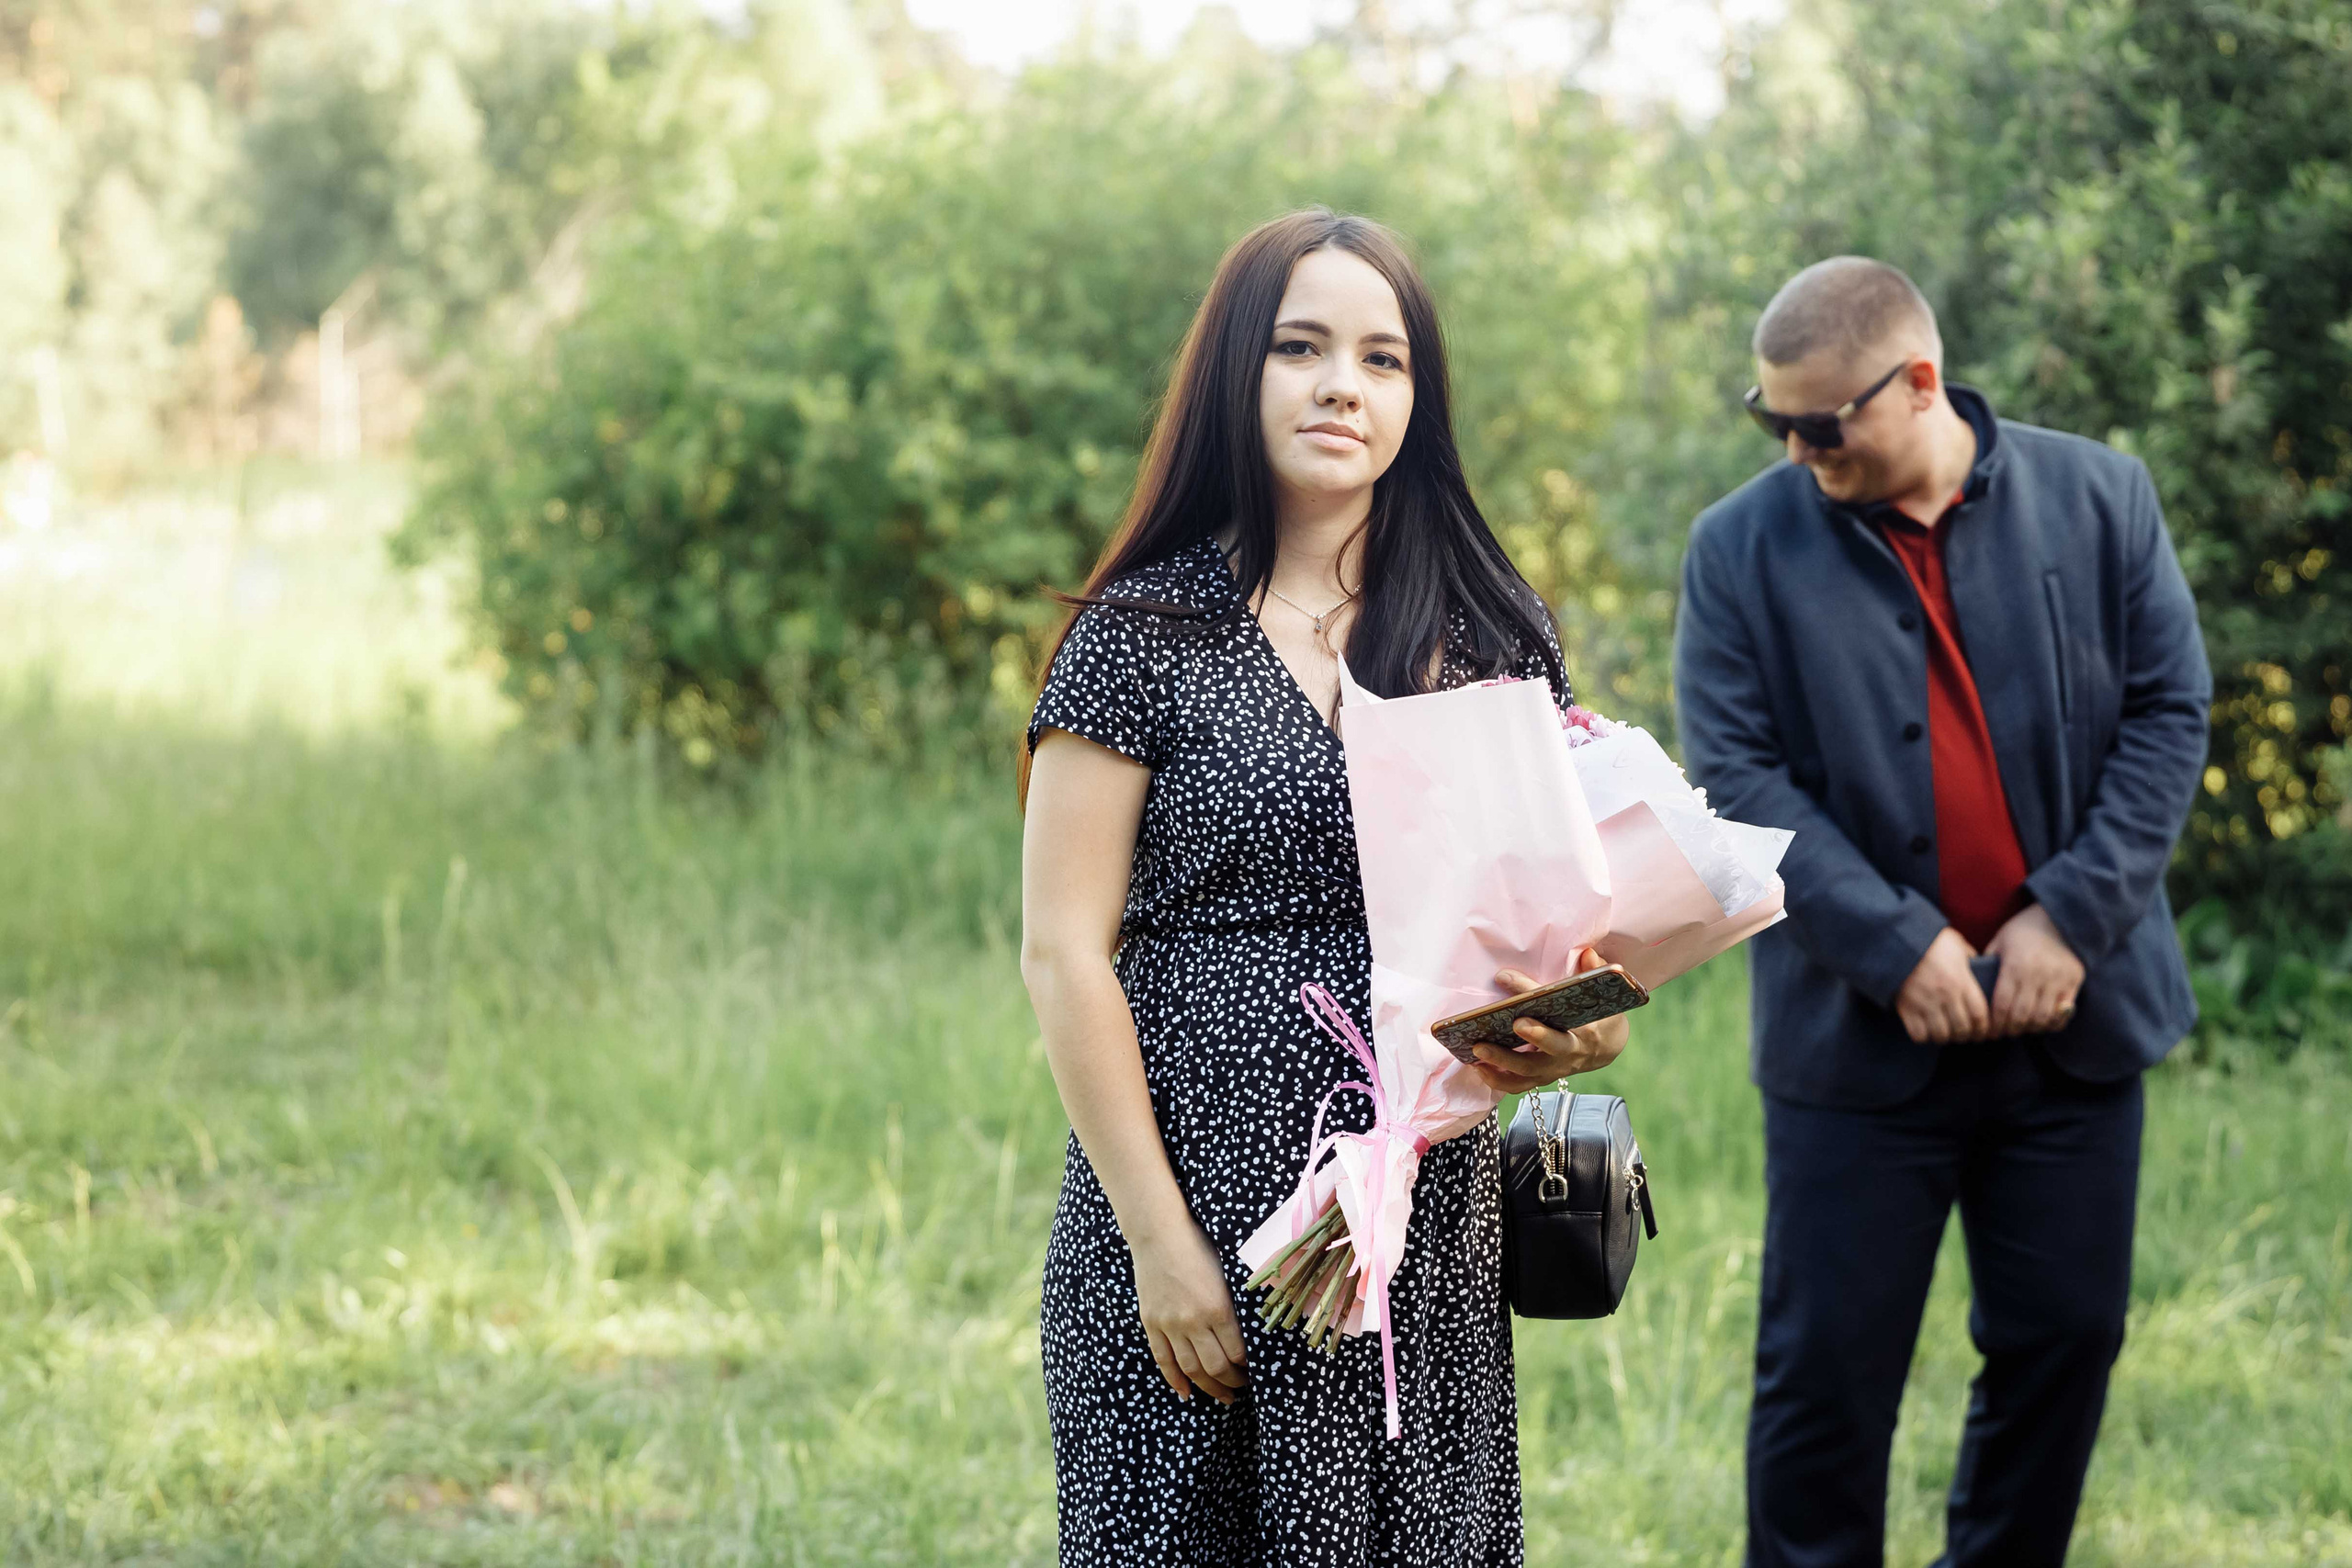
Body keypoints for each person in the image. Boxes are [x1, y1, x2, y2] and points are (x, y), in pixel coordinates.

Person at [1017, 209, 1629, 1566]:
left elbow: (1565, 940)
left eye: (1382, 357)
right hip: (1188, 1207)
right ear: (1238, 373)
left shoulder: (1490, 639)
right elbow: (1065, 954)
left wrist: (1577, 1033)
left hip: (1417, 1226)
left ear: (1420, 399)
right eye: (1301, 347)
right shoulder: (1141, 635)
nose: (1343, 383)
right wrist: (1160, 1247)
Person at [1673, 256, 2212, 1567]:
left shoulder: (2104, 495)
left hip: (2069, 1026)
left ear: (1917, 383)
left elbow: (2168, 713)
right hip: (1854, 1046)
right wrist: (1893, 941)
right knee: (1823, 1383)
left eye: (1822, 424)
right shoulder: (1736, 548)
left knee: (2065, 1343)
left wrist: (2068, 917)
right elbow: (1736, 778)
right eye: (1773, 424)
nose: (1797, 451)